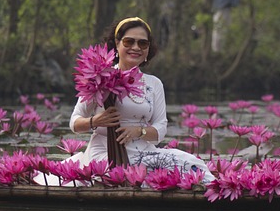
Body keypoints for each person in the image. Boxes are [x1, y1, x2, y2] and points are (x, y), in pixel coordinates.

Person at [69, 16, 215, 182]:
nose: (135, 47)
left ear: (148, 49)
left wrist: (139, 131)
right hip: (106, 153)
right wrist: (95, 121)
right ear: (117, 44)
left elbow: (160, 129)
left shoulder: (154, 84)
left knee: (192, 164)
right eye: (129, 42)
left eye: (142, 43)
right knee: (135, 174)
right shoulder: (99, 77)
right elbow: (74, 123)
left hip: (144, 151)